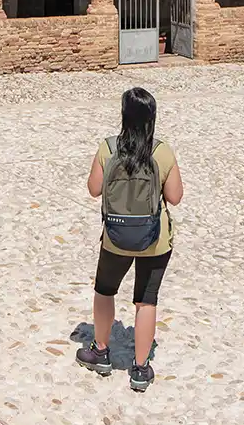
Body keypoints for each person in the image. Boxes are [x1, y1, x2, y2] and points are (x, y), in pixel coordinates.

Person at [77, 86, 183, 392]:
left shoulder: (107, 148)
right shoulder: (162, 151)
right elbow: (175, 197)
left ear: (124, 115)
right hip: (154, 238)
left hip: (115, 237)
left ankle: (99, 351)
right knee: (146, 300)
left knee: (105, 290)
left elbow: (94, 189)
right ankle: (139, 369)